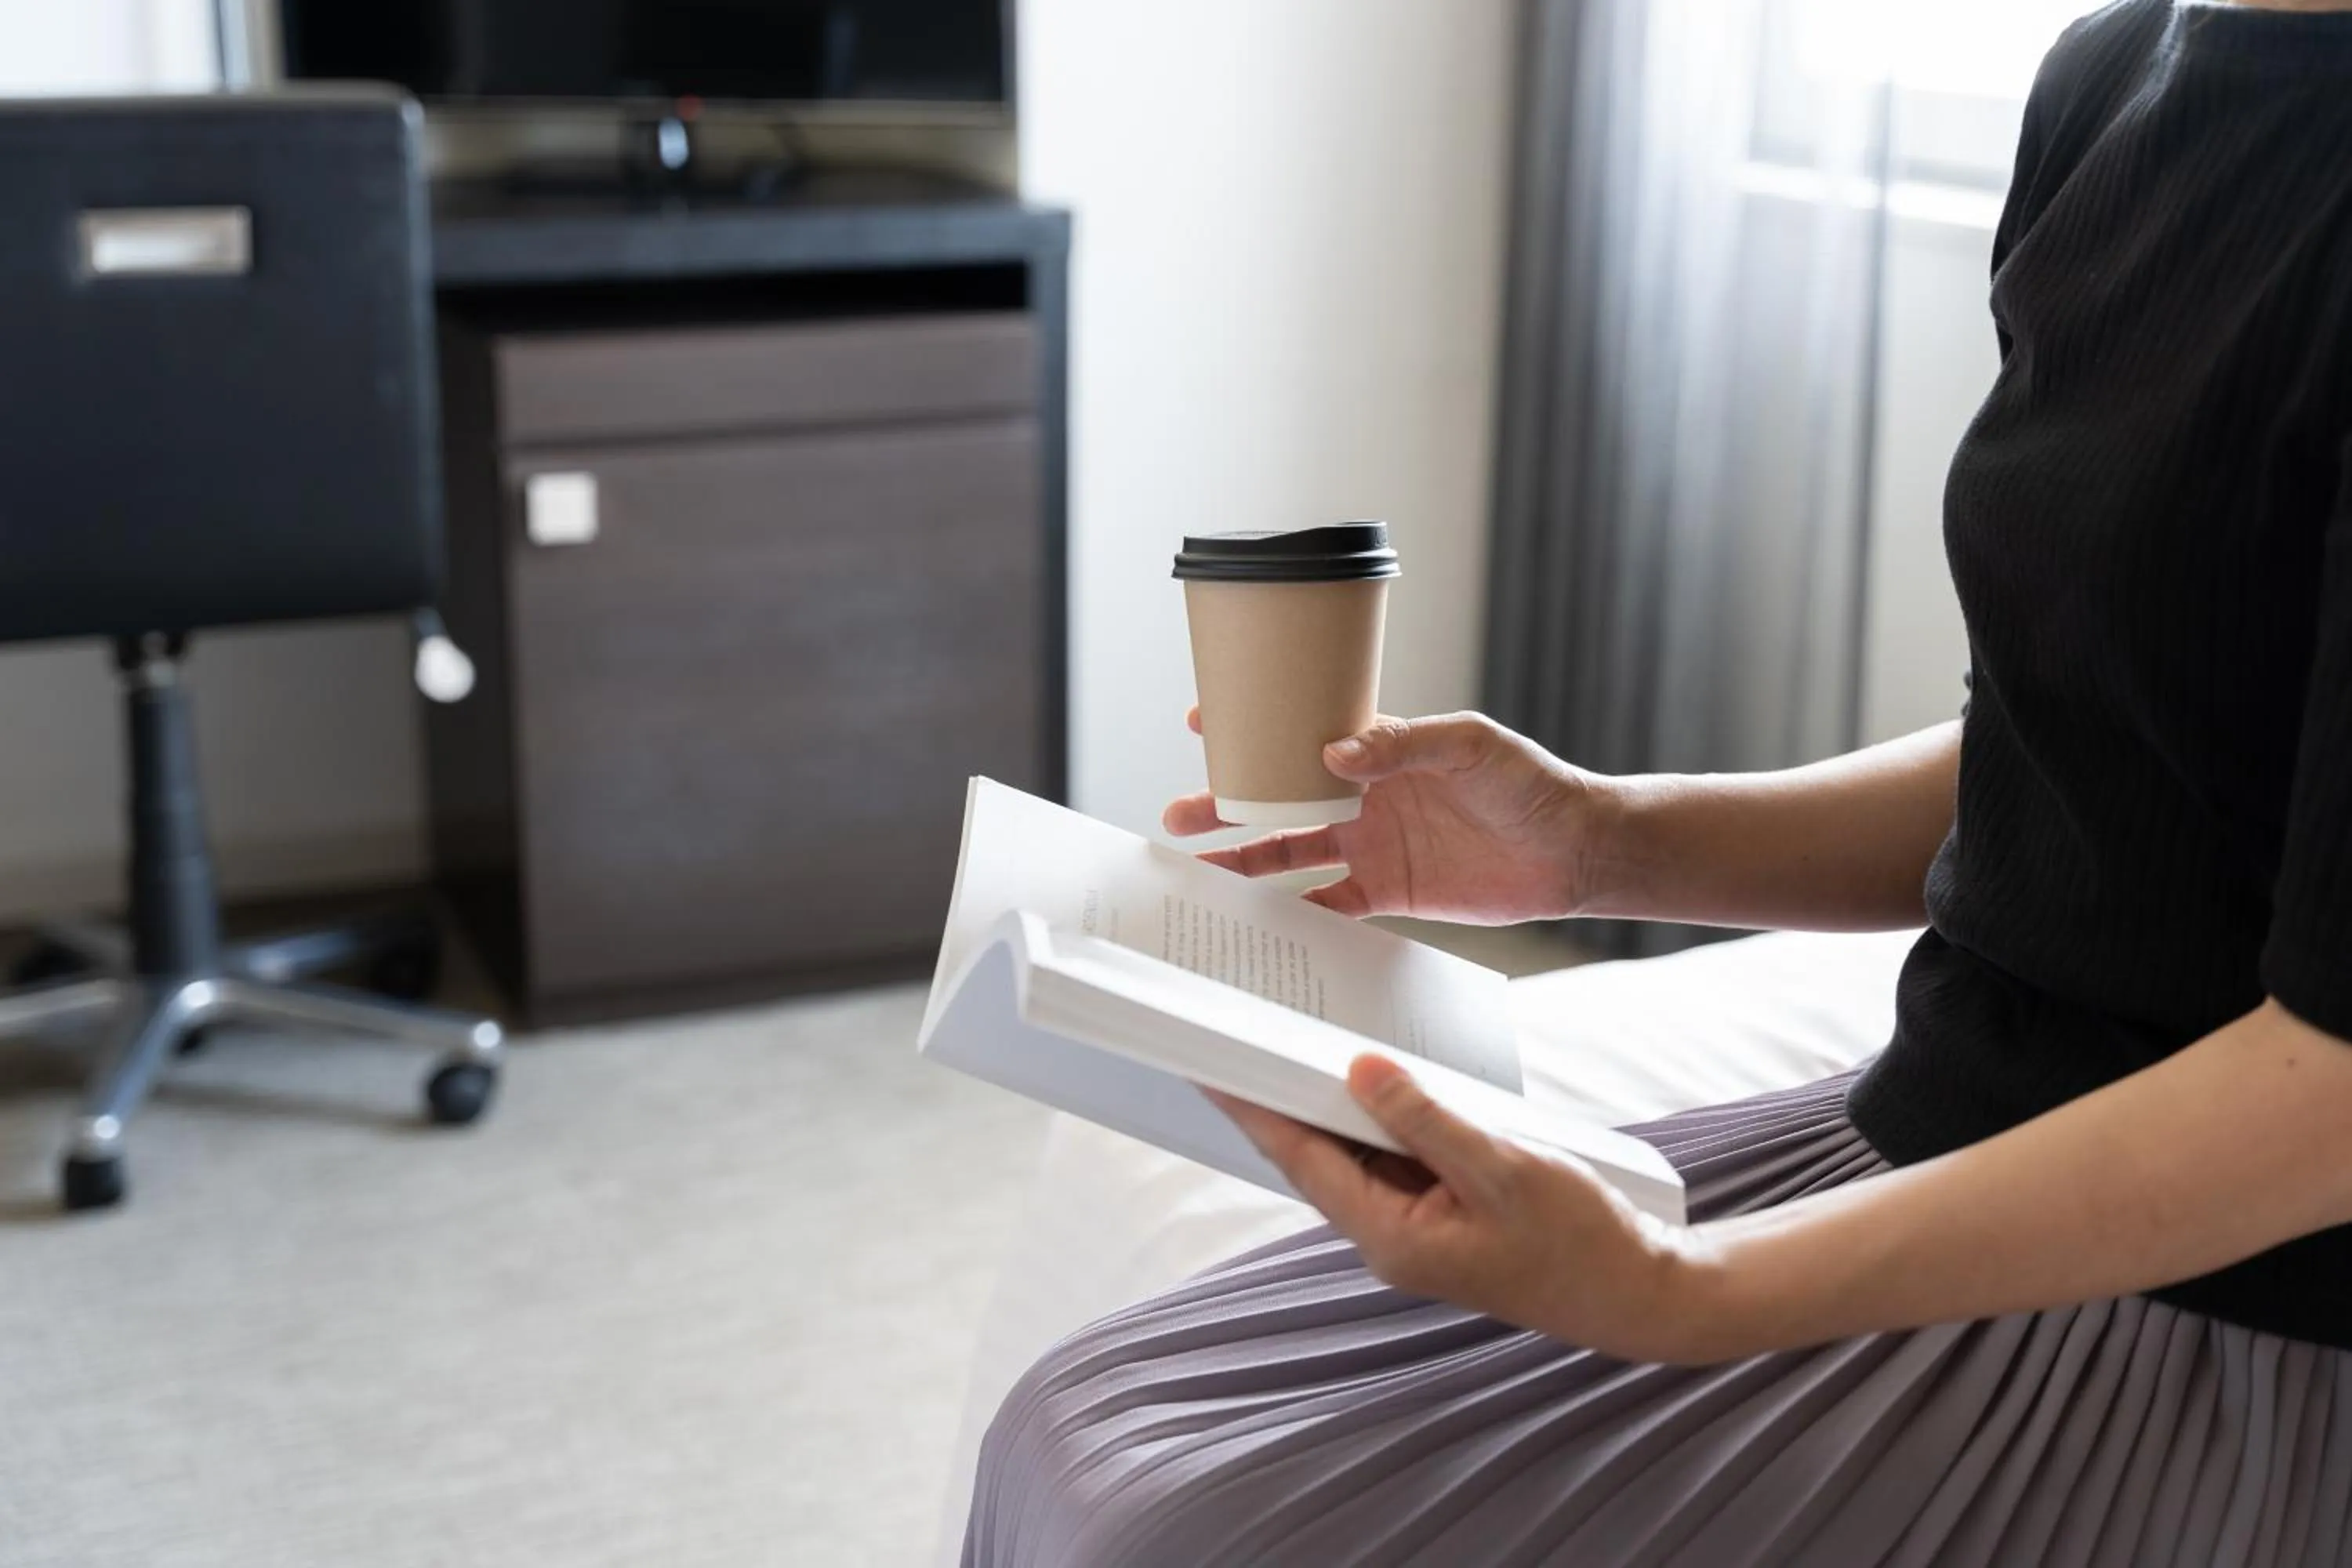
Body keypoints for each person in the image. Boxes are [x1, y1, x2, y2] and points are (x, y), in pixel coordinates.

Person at [963, 1, 2352, 1562]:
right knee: (1093, 1427)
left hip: (2250, 1300)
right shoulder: (2117, 78)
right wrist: (1593, 842)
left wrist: (1688, 1295)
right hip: (1942, 1130)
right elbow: (2112, 753)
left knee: (1184, 1533)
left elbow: (2336, 1090)